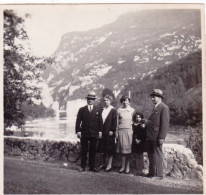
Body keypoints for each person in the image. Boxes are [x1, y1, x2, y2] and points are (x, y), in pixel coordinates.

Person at [75, 91, 103, 172]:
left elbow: (100, 122)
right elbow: (78, 121)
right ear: (87, 100)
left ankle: (92, 166)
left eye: (92, 99)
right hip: (84, 133)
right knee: (84, 150)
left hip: (94, 133)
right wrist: (78, 131)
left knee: (93, 150)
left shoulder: (98, 109)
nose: (90, 100)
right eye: (89, 99)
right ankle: (82, 166)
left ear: (94, 100)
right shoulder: (82, 110)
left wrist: (100, 132)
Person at [146, 89, 169, 179]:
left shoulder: (164, 108)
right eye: (152, 97)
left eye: (154, 97)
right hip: (150, 135)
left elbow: (165, 124)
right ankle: (151, 173)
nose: (152, 99)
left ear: (159, 98)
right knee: (151, 154)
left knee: (157, 155)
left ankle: (159, 175)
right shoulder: (155, 107)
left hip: (156, 136)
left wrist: (162, 137)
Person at [97, 95, 117, 172]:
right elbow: (100, 122)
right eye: (105, 100)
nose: (106, 102)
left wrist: (112, 130)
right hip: (103, 132)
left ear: (110, 101)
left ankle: (109, 165)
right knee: (103, 149)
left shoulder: (113, 110)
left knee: (110, 149)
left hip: (109, 133)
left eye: (107, 100)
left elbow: (115, 122)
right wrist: (100, 131)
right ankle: (103, 164)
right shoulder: (102, 110)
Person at [116, 95, 135, 174]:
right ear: (122, 101)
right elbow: (117, 122)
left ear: (129, 101)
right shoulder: (119, 110)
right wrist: (116, 132)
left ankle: (127, 167)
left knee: (128, 150)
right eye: (123, 100)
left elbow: (135, 122)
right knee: (122, 150)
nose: (125, 102)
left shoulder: (132, 110)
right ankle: (122, 166)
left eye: (126, 100)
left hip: (129, 131)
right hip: (121, 131)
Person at [132, 112, 147, 176]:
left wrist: (140, 140)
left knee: (141, 156)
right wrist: (135, 139)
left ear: (141, 118)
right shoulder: (133, 125)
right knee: (136, 156)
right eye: (137, 117)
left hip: (141, 142)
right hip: (135, 141)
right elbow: (133, 133)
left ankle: (141, 170)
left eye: (139, 117)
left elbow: (144, 134)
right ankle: (137, 170)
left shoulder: (143, 125)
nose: (138, 118)